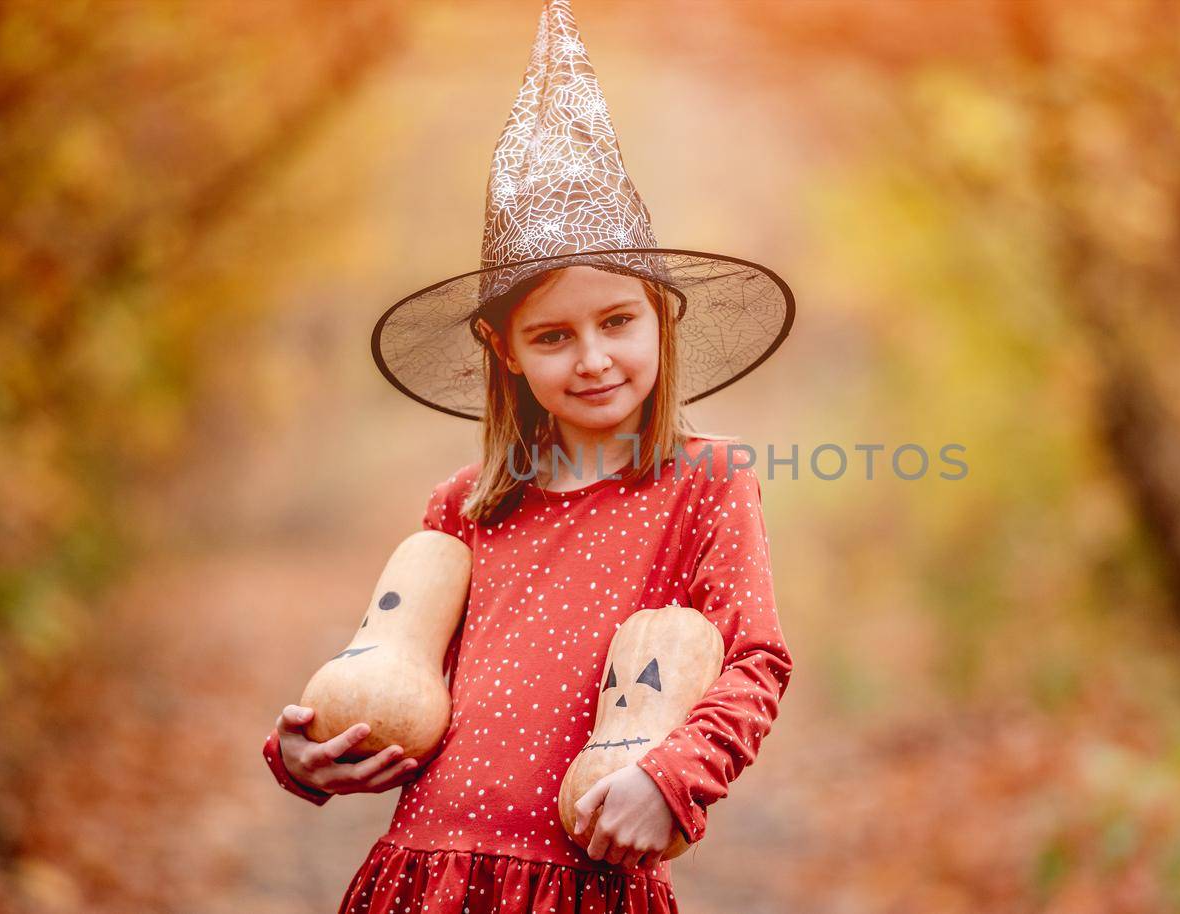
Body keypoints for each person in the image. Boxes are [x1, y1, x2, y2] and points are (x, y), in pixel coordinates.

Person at [261, 1, 798, 911]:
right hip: (425, 873)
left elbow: (754, 662)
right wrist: (304, 755)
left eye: (618, 322)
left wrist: (671, 779)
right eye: (552, 335)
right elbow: (396, 671)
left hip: (584, 880)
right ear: (505, 349)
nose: (592, 359)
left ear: (660, 320)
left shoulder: (704, 482)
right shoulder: (464, 506)